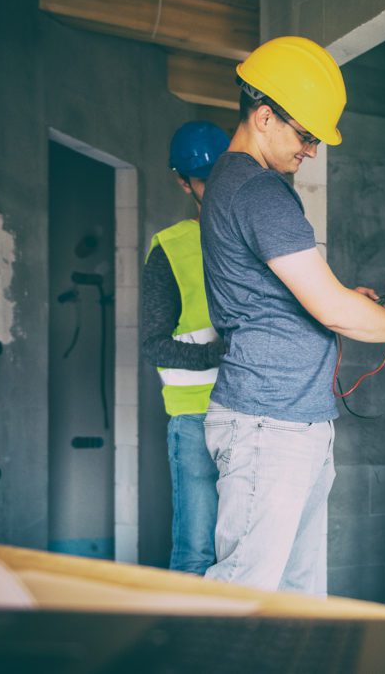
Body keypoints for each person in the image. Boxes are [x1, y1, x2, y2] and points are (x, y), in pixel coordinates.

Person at [199, 36, 385, 595]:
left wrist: (342, 295)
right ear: (265, 117)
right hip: (271, 426)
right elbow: (334, 312)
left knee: (295, 598)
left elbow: (294, 293)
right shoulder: (259, 191)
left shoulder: (231, 183)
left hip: (288, 421)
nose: (311, 151)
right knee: (243, 597)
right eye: (306, 135)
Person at [141, 120, 230, 575]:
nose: (214, 187)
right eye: (203, 179)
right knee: (197, 550)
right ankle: (185, 644)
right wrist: (216, 353)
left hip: (252, 413)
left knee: (244, 555)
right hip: (194, 418)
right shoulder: (171, 249)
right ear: (183, 183)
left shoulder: (251, 235)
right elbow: (154, 345)